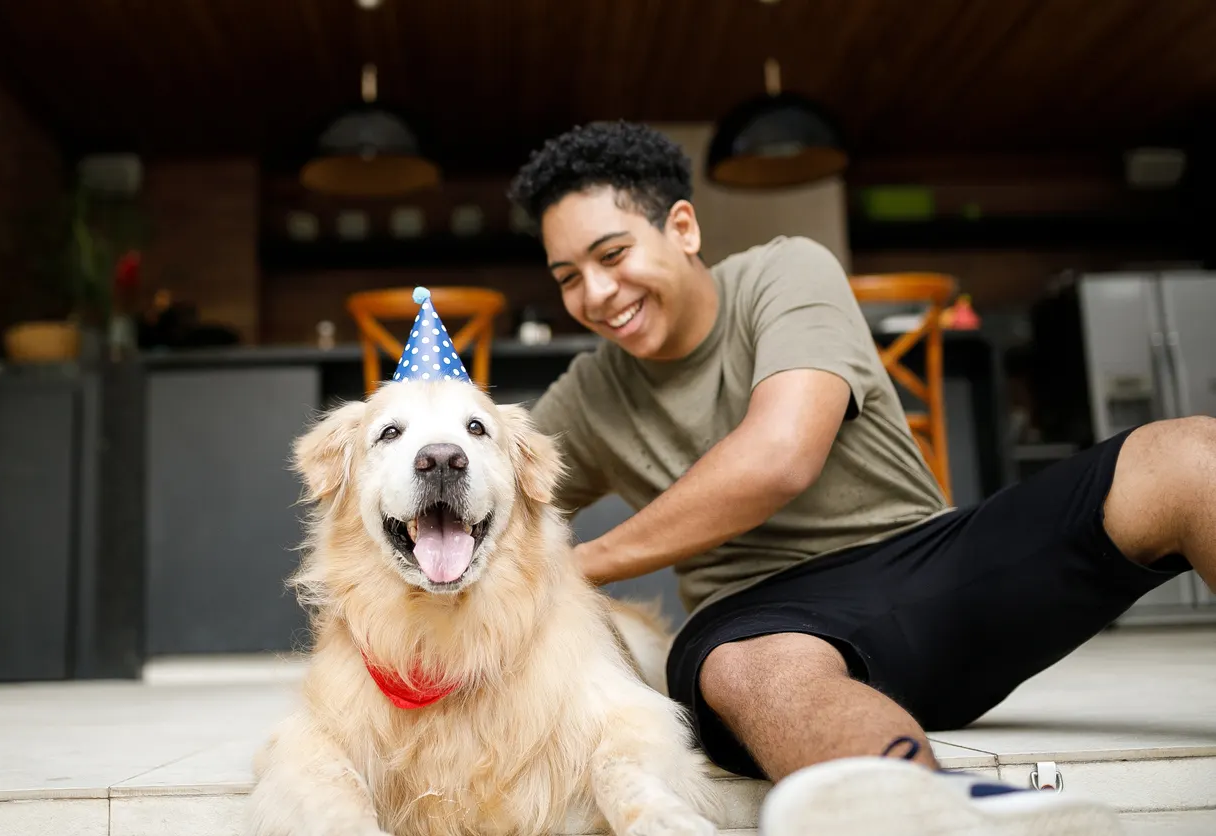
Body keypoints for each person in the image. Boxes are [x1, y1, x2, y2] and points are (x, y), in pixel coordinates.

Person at [506, 120, 1216, 835]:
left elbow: (781, 456)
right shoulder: (592, 390)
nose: (596, 292)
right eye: (568, 277)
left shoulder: (787, 272)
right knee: (736, 668)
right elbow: (493, 485)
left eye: (613, 254)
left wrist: (576, 566)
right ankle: (945, 814)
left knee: (1188, 455)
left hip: (933, 572)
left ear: (682, 228)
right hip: (763, 622)